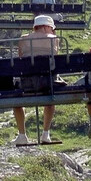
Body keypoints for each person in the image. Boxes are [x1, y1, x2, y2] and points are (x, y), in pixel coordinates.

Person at [12, 14, 58, 145]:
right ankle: (45, 134)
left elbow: (20, 59)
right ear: (46, 27)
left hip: (27, 83)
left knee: (16, 101)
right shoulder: (54, 39)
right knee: (50, 101)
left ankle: (22, 135)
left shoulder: (23, 39)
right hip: (47, 83)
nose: (52, 31)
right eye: (51, 28)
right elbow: (55, 60)